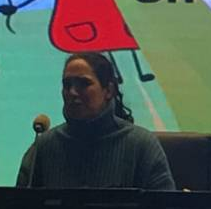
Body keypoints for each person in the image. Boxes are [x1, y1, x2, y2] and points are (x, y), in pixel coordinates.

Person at [17, 51, 176, 190]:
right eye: (67, 84)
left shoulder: (141, 145)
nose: (72, 92)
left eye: (84, 84)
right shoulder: (44, 146)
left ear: (108, 91)